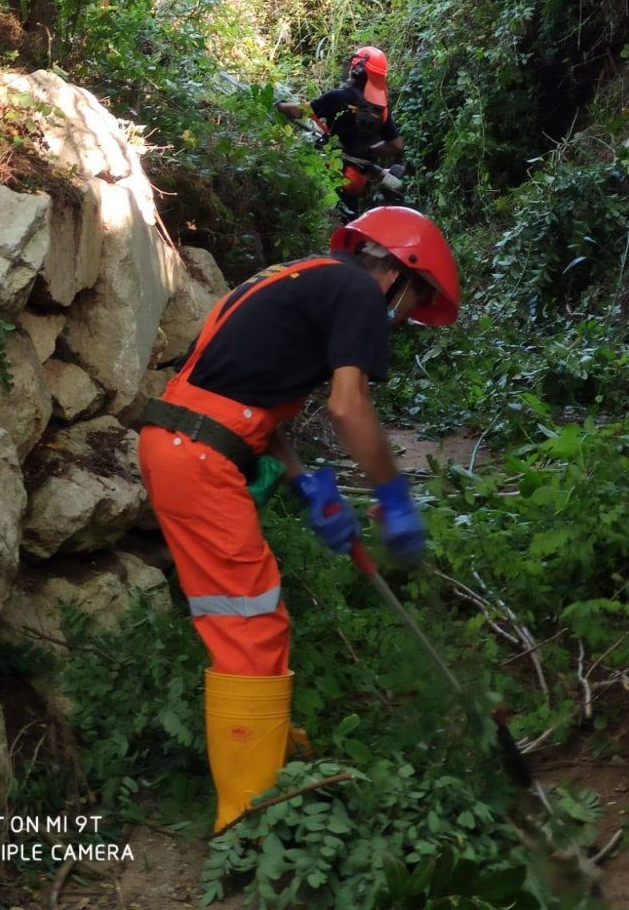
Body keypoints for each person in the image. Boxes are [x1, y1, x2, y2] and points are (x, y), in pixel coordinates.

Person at [136, 206, 459, 831]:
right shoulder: (360, 293)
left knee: (254, 615)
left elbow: (250, 392)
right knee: (248, 624)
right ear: (395, 272)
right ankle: (250, 814)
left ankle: (264, 749)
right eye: (413, 299)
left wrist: (308, 483)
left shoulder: (301, 276)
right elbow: (349, 406)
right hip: (197, 455)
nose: (402, 317)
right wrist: (394, 499)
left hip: (184, 444)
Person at [276, 47, 405, 200]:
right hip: (356, 182)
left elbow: (299, 111)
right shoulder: (381, 110)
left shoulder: (337, 98)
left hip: (329, 174)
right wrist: (370, 151)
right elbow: (396, 145)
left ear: (357, 70)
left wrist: (279, 105)